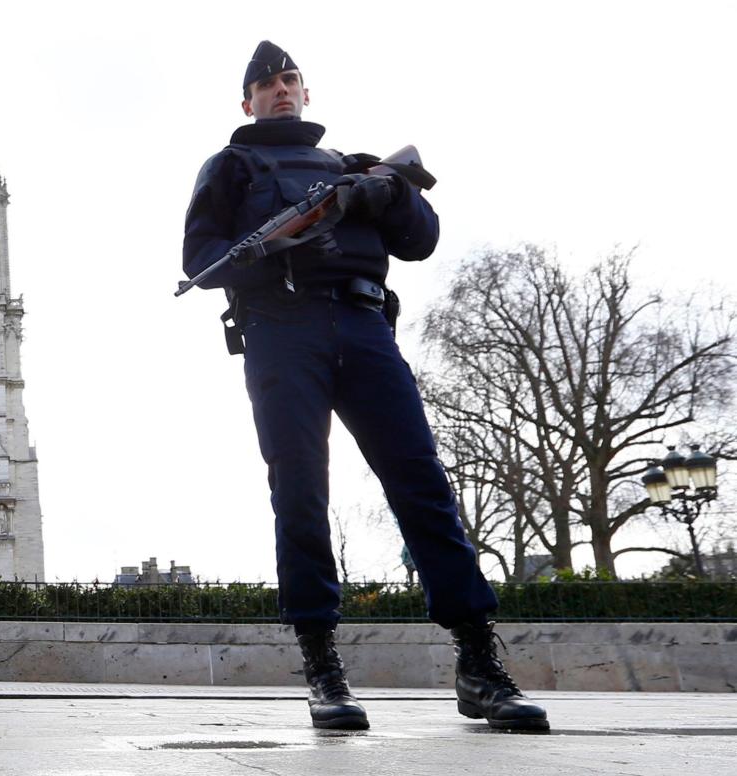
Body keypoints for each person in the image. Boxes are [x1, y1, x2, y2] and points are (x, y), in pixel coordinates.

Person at [182, 41, 548, 732]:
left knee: (422, 483)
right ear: (246, 103)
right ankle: (322, 667)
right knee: (299, 492)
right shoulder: (230, 167)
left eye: (290, 80)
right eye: (266, 85)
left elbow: (421, 240)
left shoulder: (351, 167)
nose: (280, 90)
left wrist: (391, 192)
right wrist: (286, 250)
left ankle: (479, 665)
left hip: (363, 324)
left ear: (306, 92)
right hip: (281, 332)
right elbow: (202, 264)